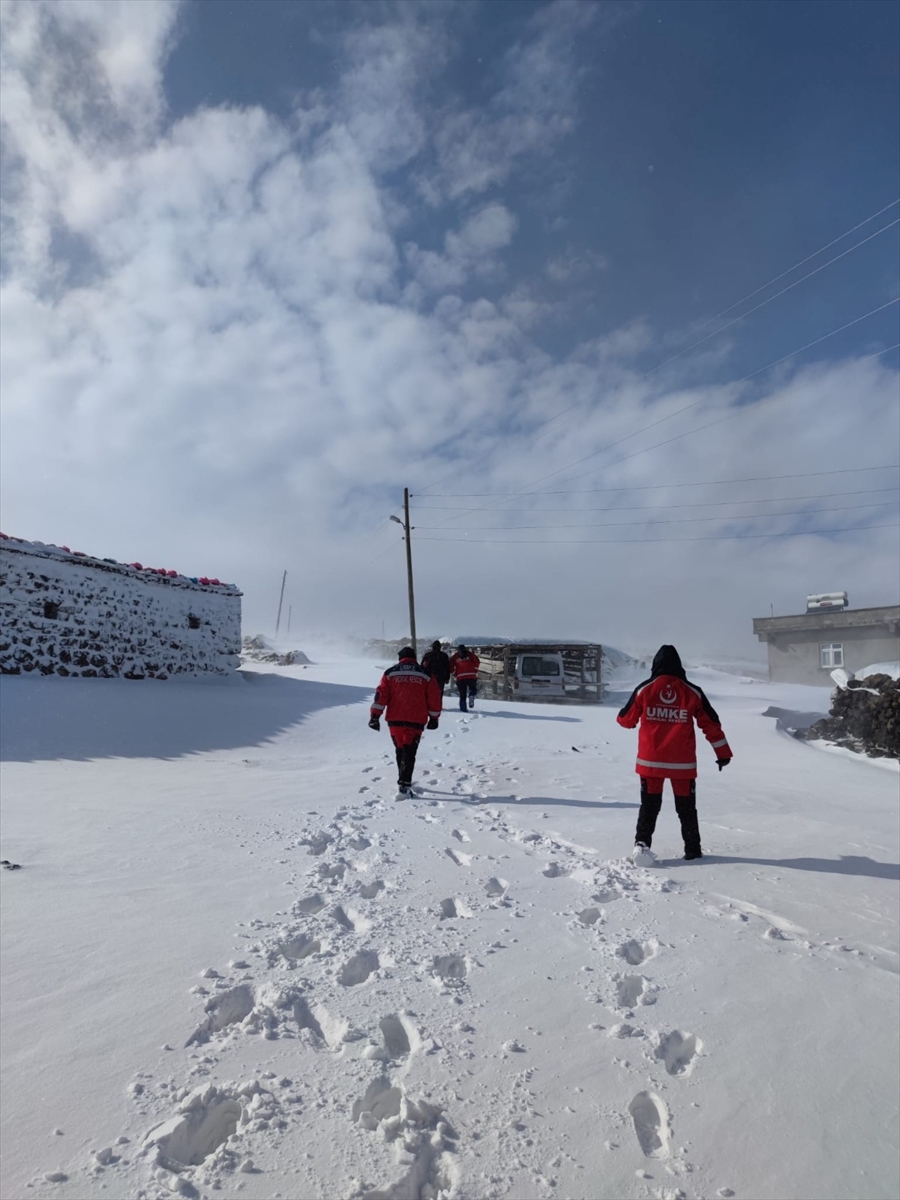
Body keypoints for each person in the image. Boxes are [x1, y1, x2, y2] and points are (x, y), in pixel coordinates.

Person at [616, 645, 732, 862]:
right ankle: (693, 850)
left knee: (649, 807)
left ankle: (641, 846)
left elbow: (625, 720)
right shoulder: (692, 692)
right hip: (683, 766)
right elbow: (711, 724)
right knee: (686, 809)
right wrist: (722, 753)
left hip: (650, 763)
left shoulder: (645, 689)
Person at [369, 647, 442, 798]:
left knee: (400, 751)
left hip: (395, 720)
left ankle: (403, 781)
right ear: (414, 657)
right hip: (416, 720)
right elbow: (434, 698)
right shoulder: (425, 674)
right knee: (410, 752)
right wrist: (434, 718)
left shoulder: (390, 673)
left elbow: (381, 696)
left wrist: (375, 716)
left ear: (400, 658)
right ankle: (404, 785)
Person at [449, 644, 480, 711]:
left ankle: (463, 709)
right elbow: (477, 661)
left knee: (462, 695)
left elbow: (451, 666)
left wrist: (455, 673)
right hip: (471, 675)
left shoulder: (455, 656)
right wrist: (475, 670)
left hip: (460, 677)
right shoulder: (470, 654)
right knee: (473, 688)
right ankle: (471, 695)